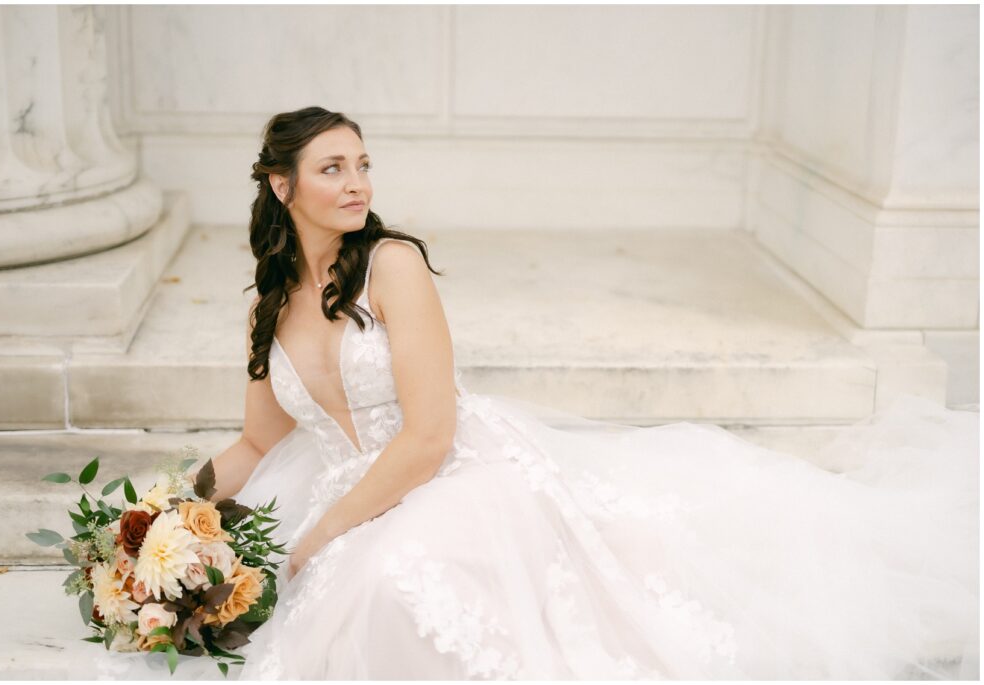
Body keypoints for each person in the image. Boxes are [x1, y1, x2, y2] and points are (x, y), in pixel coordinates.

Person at [91, 107, 978, 680]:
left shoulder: (393, 266)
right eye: (332, 168)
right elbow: (253, 443)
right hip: (340, 483)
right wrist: (159, 520)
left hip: (450, 478)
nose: (357, 180)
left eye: (363, 163)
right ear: (282, 186)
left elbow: (429, 436)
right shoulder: (267, 303)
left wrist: (322, 533)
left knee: (394, 587)